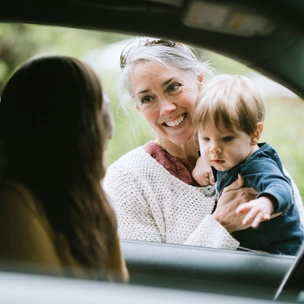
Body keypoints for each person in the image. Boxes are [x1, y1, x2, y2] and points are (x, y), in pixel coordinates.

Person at [103, 36, 304, 253]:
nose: (166, 108)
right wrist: (221, 223)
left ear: (199, 80)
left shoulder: (248, 151)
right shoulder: (127, 179)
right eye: (147, 99)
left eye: (173, 87)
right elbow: (146, 278)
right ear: (138, 108)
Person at [0, 55, 129, 282]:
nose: (110, 129)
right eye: (100, 113)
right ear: (69, 131)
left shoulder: (90, 201)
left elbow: (117, 289)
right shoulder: (12, 206)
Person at [192, 74, 304, 255]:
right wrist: (201, 161)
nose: (213, 149)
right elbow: (209, 150)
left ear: (254, 134)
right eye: (205, 138)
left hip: (280, 252)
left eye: (226, 138)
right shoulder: (226, 155)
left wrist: (266, 202)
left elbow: (280, 186)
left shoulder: (258, 165)